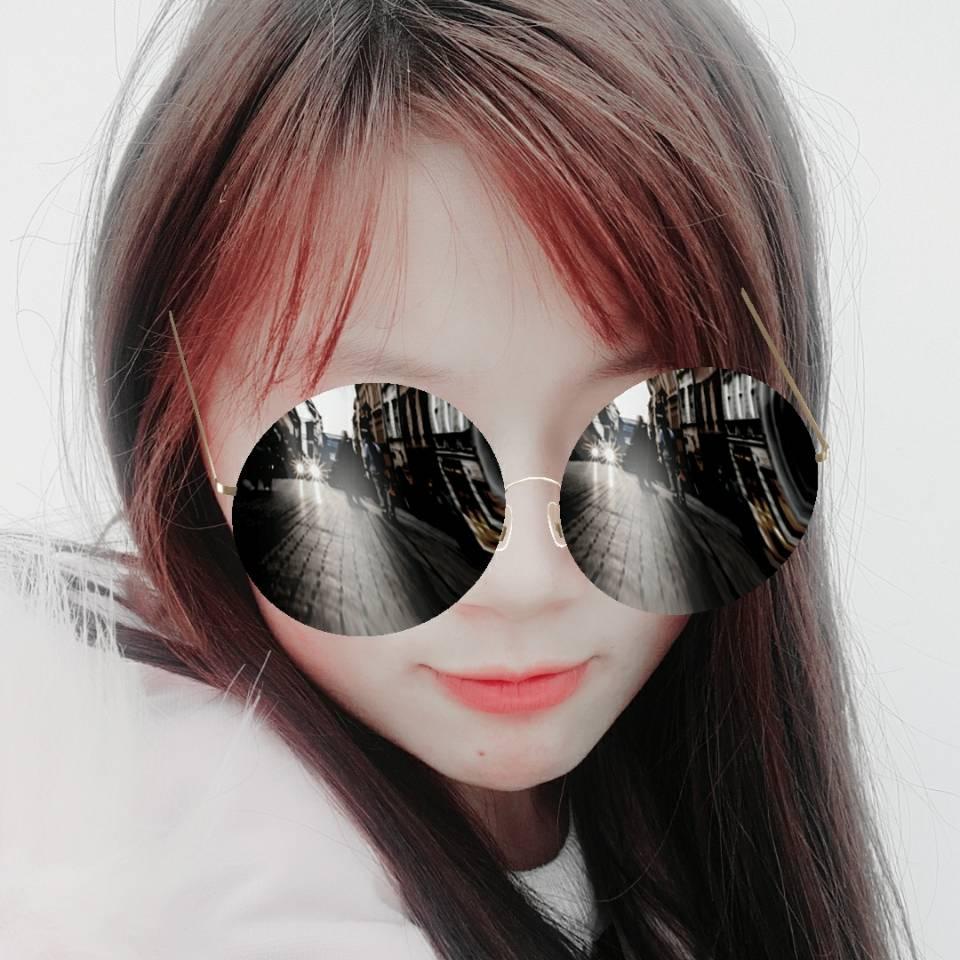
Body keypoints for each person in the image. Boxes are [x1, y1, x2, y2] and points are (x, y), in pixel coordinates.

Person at [0, 3, 917, 960]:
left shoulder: (661, 828)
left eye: (653, 439)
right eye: (385, 455)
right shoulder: (197, 888)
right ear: (180, 417)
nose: (526, 580)